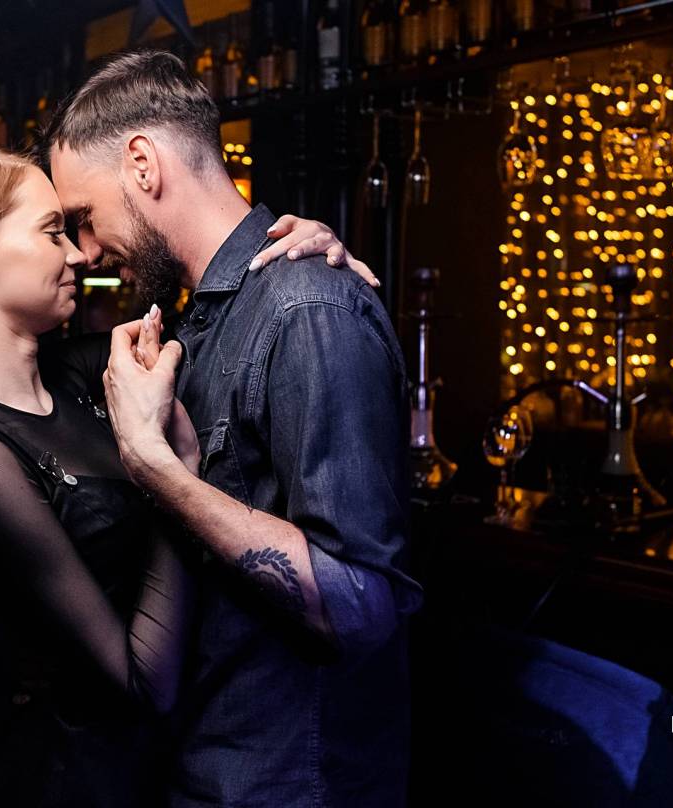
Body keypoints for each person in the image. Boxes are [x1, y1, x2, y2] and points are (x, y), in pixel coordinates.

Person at [0, 142, 371, 807]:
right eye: (52, 232)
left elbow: (231, 327)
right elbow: (142, 684)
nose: (79, 254)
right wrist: (172, 473)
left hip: (187, 759)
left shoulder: (82, 369)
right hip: (82, 779)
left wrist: (301, 260)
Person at [45, 50, 425, 807]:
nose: (85, 253)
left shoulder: (306, 308)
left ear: (143, 164)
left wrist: (157, 468)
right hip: (211, 760)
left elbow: (360, 605)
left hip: (286, 784)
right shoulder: (206, 317)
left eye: (84, 218)